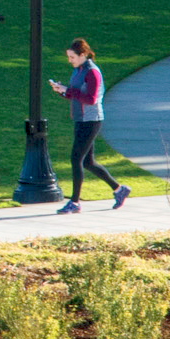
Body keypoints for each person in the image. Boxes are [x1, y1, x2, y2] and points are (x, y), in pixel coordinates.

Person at [49, 39, 129, 212]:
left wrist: (67, 90)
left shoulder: (92, 72)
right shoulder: (78, 70)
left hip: (91, 120)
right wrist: (62, 91)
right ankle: (119, 189)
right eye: (68, 57)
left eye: (72, 57)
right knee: (88, 162)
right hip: (81, 119)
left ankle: (75, 203)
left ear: (83, 55)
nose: (69, 60)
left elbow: (91, 99)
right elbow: (77, 95)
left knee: (76, 159)